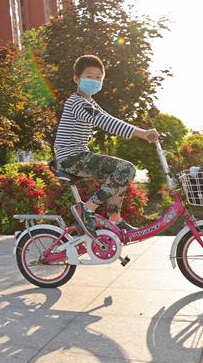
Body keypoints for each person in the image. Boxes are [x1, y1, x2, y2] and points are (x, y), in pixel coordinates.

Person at [53, 54, 160, 231]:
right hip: (70, 158)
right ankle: (87, 209)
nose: (94, 81)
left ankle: (115, 219)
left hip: (78, 155)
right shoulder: (77, 102)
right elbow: (104, 121)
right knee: (126, 169)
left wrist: (141, 130)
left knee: (121, 173)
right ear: (76, 79)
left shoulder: (89, 102)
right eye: (89, 77)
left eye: (98, 78)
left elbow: (108, 117)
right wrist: (142, 133)